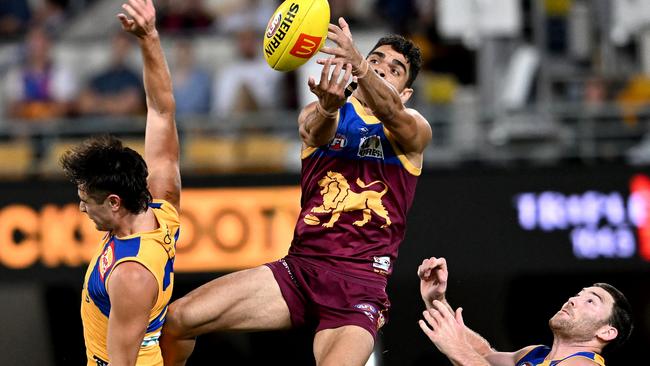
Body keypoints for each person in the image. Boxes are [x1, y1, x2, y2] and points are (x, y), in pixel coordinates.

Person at [161, 17, 431, 366]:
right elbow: (316, 133)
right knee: (177, 320)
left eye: (394, 70)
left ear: (406, 92)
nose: (380, 69)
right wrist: (329, 107)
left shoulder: (412, 129)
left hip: (359, 287)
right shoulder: (320, 110)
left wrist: (360, 66)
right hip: (299, 271)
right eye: (376, 59)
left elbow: (391, 111)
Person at [59, 0, 180, 365]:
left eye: (86, 199)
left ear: (114, 202)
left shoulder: (131, 275)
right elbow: (161, 111)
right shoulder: (163, 205)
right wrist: (150, 39)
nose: (81, 207)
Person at [417, 257, 634, 366]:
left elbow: (466, 354)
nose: (573, 300)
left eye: (590, 301)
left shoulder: (585, 364)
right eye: (578, 294)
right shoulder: (536, 354)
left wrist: (458, 350)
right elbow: (482, 355)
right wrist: (437, 299)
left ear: (607, 332)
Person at [77, 31, 144, 117]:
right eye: (117, 45)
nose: (119, 50)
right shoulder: (100, 77)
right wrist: (115, 102)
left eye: (123, 47)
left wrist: (99, 103)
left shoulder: (133, 79)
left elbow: (129, 106)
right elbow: (84, 105)